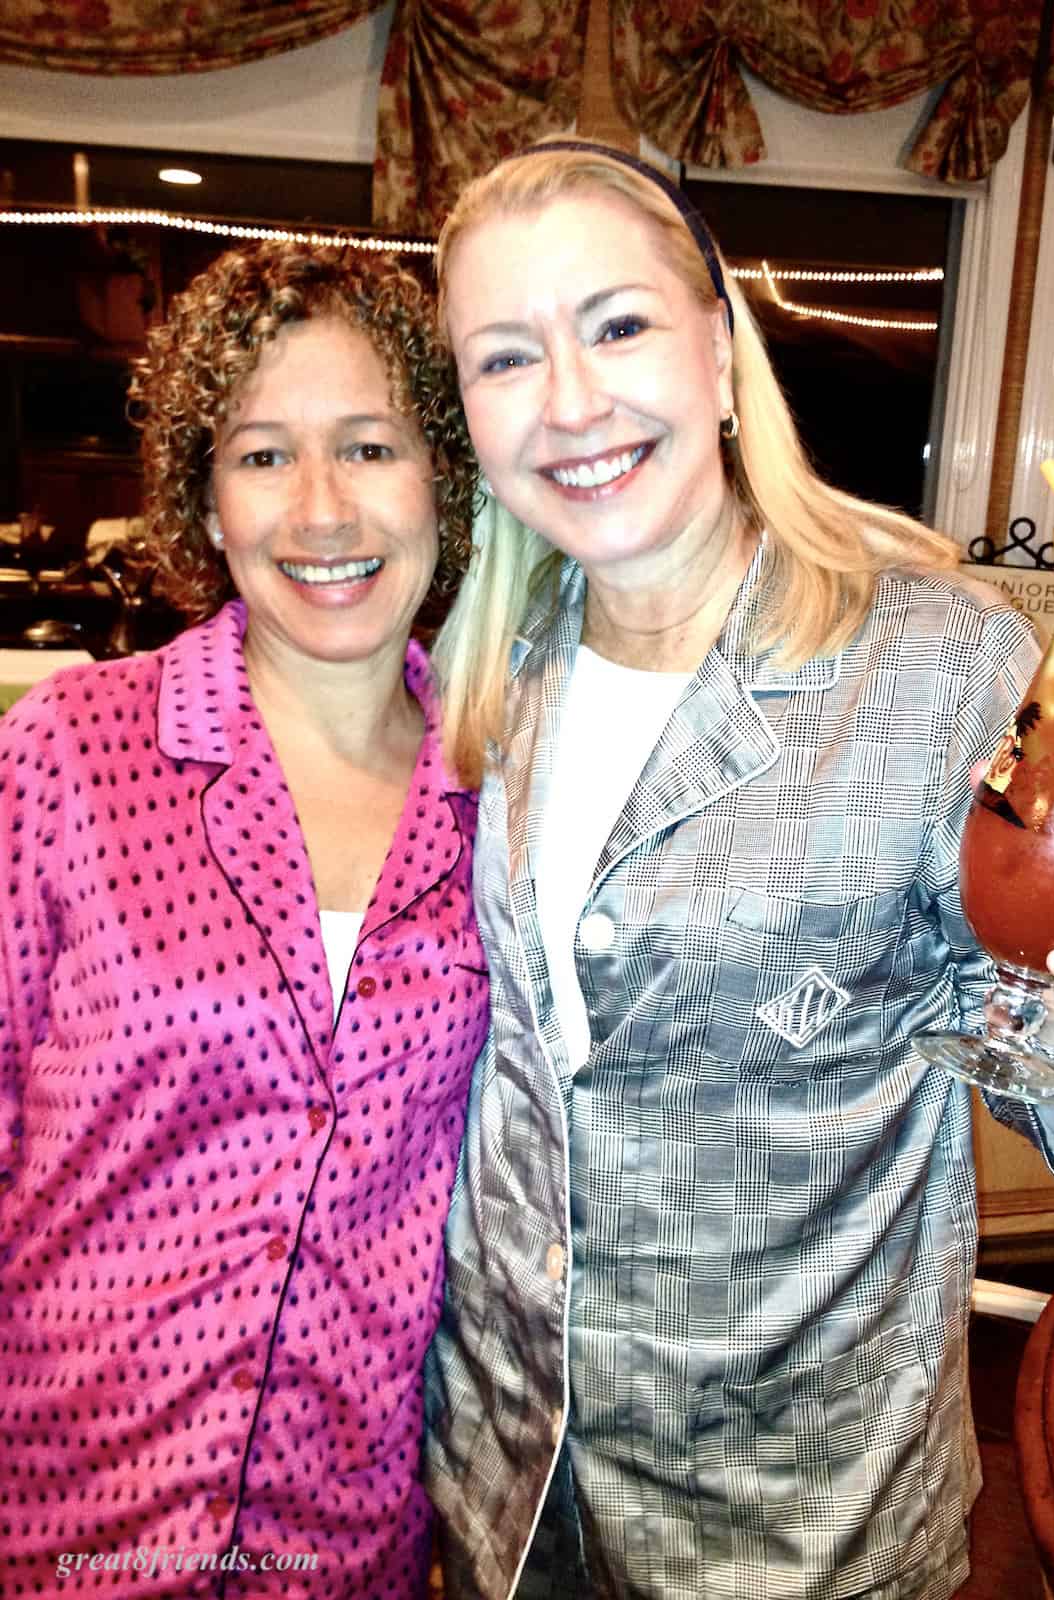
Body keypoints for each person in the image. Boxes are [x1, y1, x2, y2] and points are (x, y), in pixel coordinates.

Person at [421, 140, 1054, 1600]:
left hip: (792, 1514)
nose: (572, 402)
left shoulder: (931, 661)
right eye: (506, 358)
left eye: (620, 326)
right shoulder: (480, 674)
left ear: (721, 353)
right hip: (507, 1474)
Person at [0, 241, 488, 1597]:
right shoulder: (71, 756)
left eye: (372, 448)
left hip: (344, 1532)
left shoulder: (507, 800)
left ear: (443, 479)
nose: (321, 510)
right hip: (61, 1513)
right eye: (263, 456)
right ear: (204, 505)